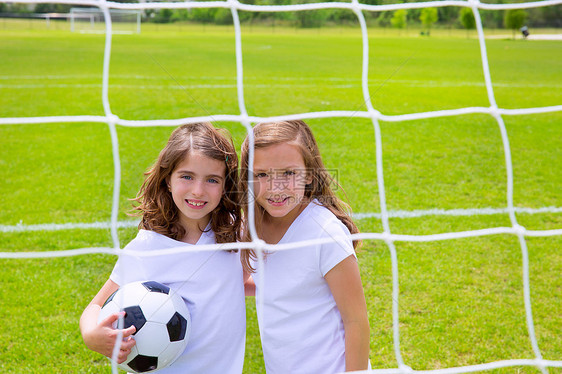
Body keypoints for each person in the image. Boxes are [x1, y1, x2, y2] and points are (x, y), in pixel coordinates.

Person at [80, 122, 245, 373]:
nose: (198, 191)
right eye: (187, 176)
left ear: (225, 186)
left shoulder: (234, 233)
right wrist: (91, 334)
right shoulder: (145, 249)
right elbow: (95, 307)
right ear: (168, 179)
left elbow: (237, 282)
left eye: (212, 180)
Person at [240, 120, 370, 373]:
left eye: (288, 173)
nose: (276, 188)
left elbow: (356, 322)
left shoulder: (325, 233)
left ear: (309, 173)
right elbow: (262, 284)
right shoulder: (251, 225)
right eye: (262, 175)